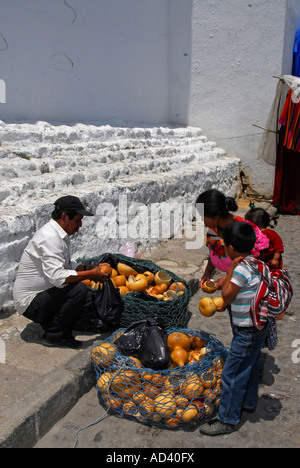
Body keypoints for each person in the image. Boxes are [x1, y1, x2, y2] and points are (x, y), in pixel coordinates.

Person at [199, 222, 269, 436]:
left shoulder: (238, 268)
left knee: (233, 372)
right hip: (258, 327)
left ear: (229, 248)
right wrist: (223, 280)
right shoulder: (257, 264)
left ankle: (227, 419)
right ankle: (248, 403)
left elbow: (228, 297)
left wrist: (229, 270)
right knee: (251, 363)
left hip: (246, 331)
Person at [13, 195, 109, 349]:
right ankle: (55, 336)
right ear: (64, 217)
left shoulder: (60, 234)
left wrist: (88, 268)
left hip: (43, 293)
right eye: (77, 220)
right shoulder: (50, 237)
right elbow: (59, 278)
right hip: (30, 302)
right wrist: (91, 275)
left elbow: (67, 264)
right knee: (78, 291)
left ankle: (53, 323)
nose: (80, 225)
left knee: (86, 299)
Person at [196, 189, 269, 290]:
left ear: (216, 217)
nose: (201, 220)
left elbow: (253, 263)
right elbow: (214, 251)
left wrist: (228, 278)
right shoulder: (213, 231)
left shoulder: (243, 229)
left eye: (203, 216)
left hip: (250, 286)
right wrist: (208, 272)